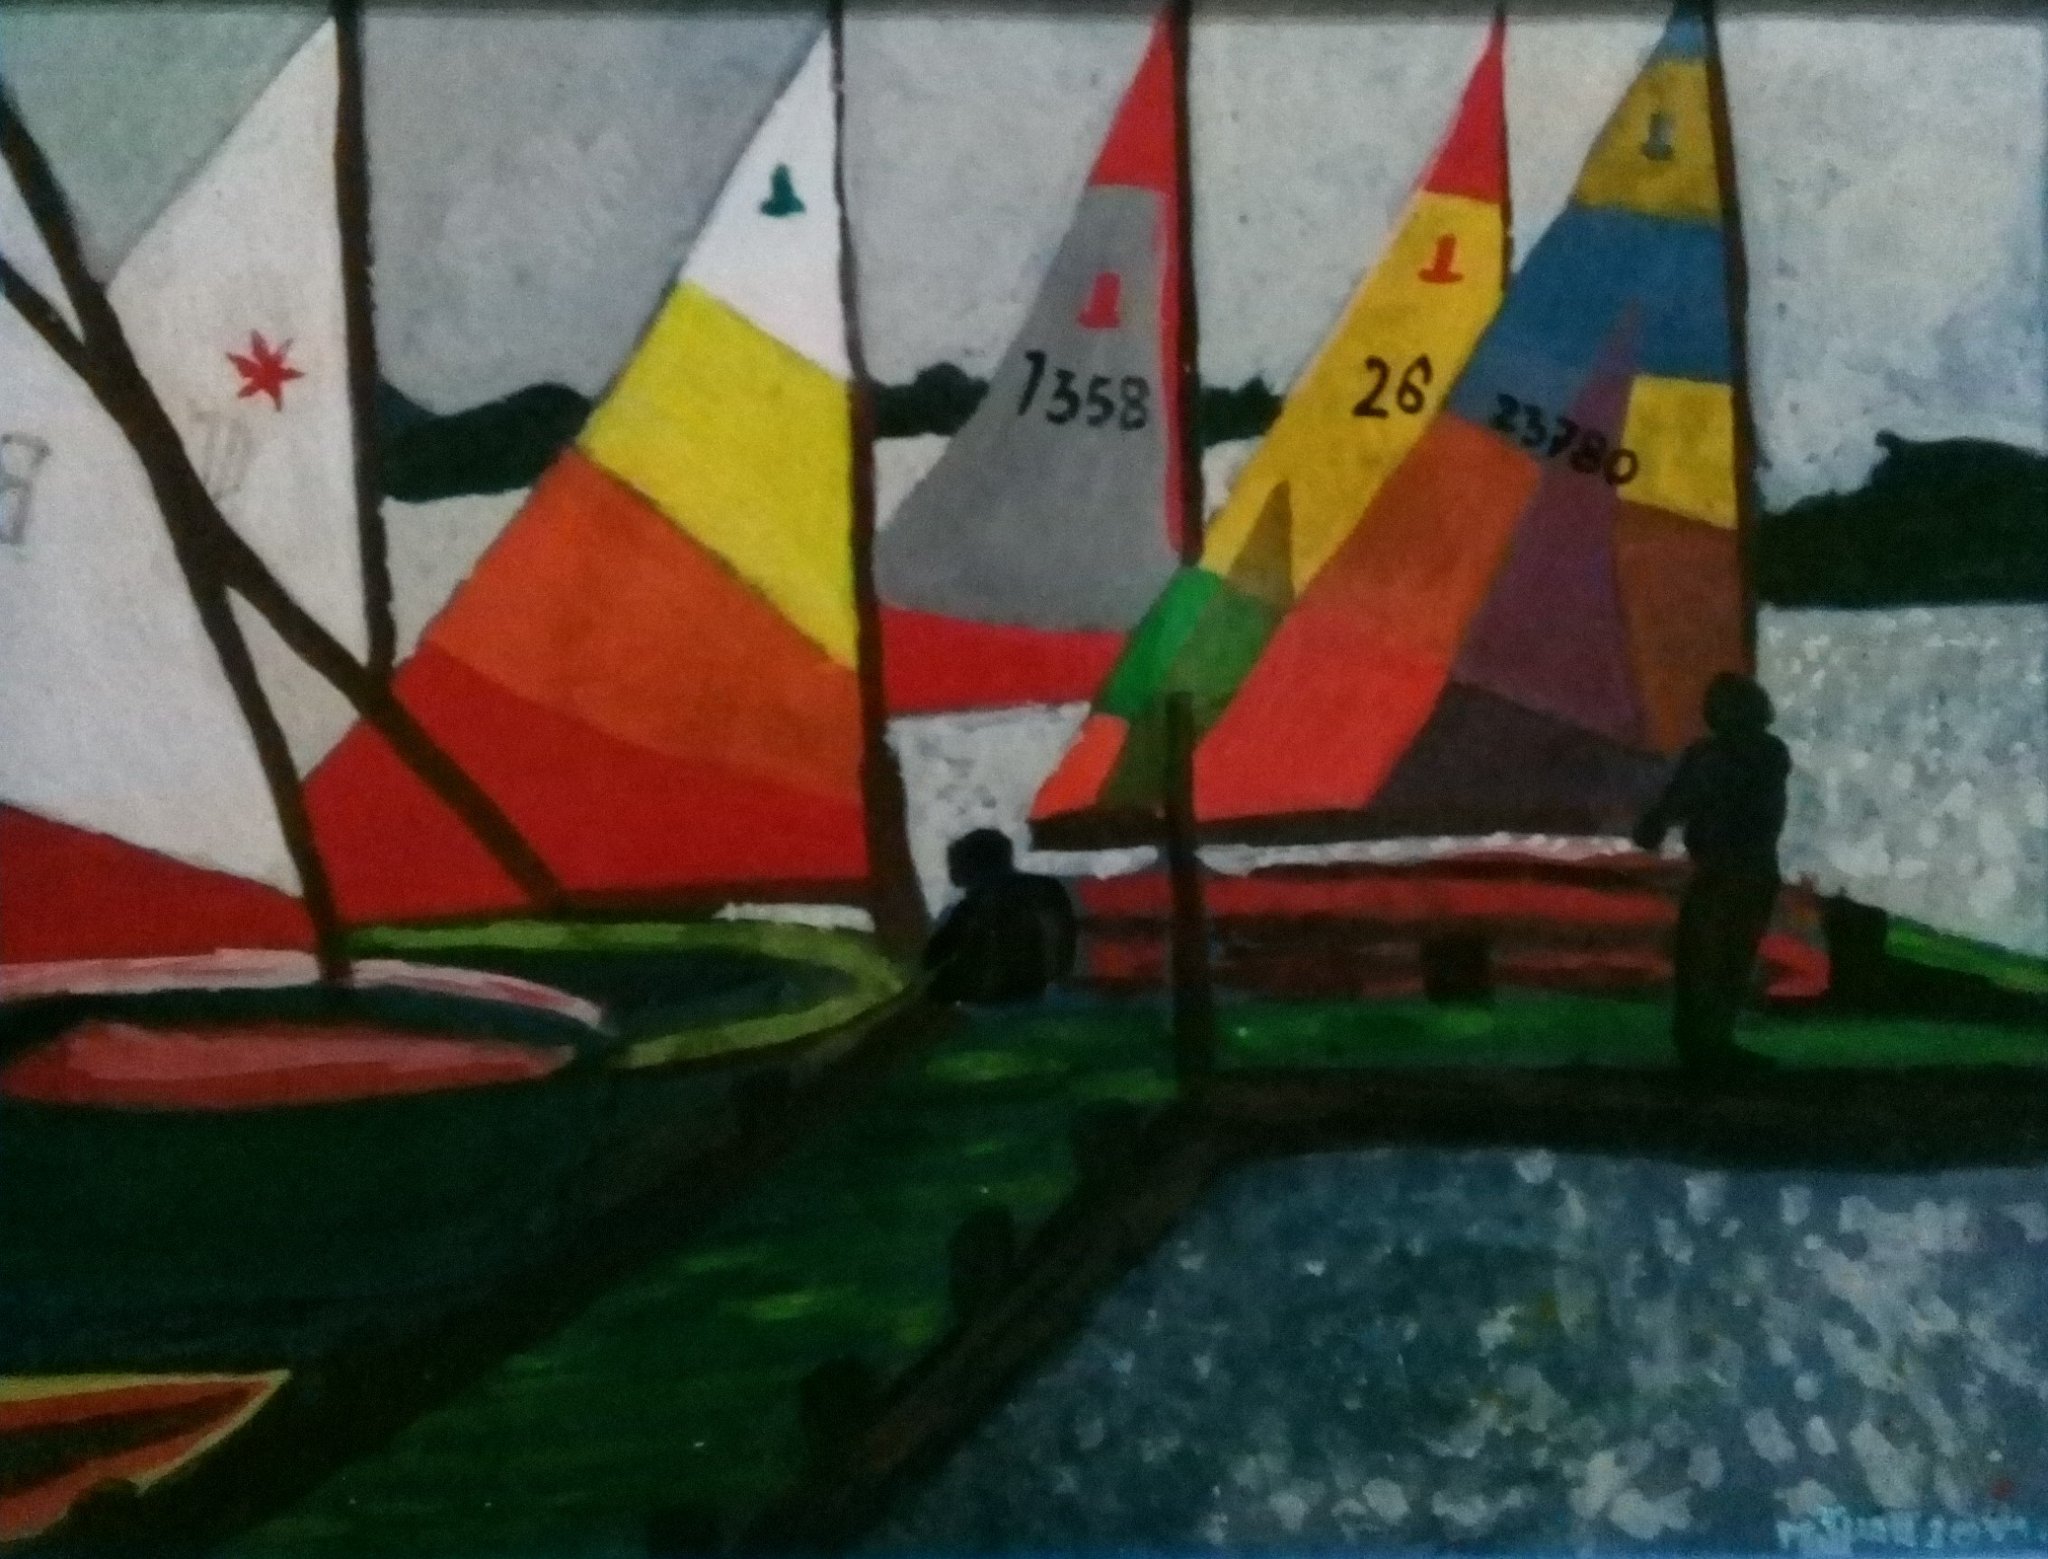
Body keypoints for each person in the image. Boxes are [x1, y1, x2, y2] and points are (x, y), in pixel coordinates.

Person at [1632, 673, 1791, 1074]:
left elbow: (1689, 797)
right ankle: (1707, 1040)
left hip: (1735, 867)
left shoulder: (1747, 754)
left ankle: (1707, 1040)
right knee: (1717, 956)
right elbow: (1684, 798)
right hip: (1738, 868)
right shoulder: (1752, 752)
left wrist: (1659, 822)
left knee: (1716, 956)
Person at [923, 829, 1077, 1005]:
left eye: (957, 861)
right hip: (1041, 989)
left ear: (972, 864)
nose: (951, 870)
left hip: (993, 996)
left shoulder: (978, 901)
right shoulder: (1047, 888)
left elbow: (934, 955)